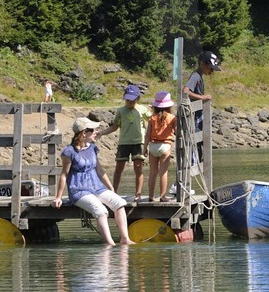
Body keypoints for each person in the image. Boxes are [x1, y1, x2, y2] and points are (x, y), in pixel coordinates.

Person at [53, 117, 134, 246]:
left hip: (97, 187)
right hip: (79, 191)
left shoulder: (92, 149)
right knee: (100, 210)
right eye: (93, 130)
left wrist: (111, 188)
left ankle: (125, 239)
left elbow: (100, 170)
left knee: (119, 203)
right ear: (84, 133)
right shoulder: (69, 152)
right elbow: (64, 175)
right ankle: (110, 243)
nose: (97, 132)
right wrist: (58, 197)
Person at [102, 84, 147, 199]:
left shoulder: (142, 109)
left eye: (132, 100)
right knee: (119, 168)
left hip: (138, 142)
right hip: (124, 143)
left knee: (138, 168)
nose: (129, 102)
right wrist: (101, 133)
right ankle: (113, 191)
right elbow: (114, 127)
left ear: (137, 99)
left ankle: (138, 194)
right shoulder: (121, 111)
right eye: (127, 100)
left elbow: (152, 122)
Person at [182, 50, 219, 178]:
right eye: (210, 67)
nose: (212, 71)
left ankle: (185, 181)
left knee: (198, 149)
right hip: (193, 118)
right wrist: (202, 97)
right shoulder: (195, 76)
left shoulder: (199, 76)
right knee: (193, 150)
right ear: (202, 63)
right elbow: (185, 92)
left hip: (197, 117)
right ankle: (181, 183)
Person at [145, 91, 178, 202]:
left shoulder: (152, 118)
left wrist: (144, 148)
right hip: (165, 145)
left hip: (153, 145)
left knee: (153, 172)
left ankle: (151, 196)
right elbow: (177, 132)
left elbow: (147, 135)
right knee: (163, 172)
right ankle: (163, 196)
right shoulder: (172, 118)